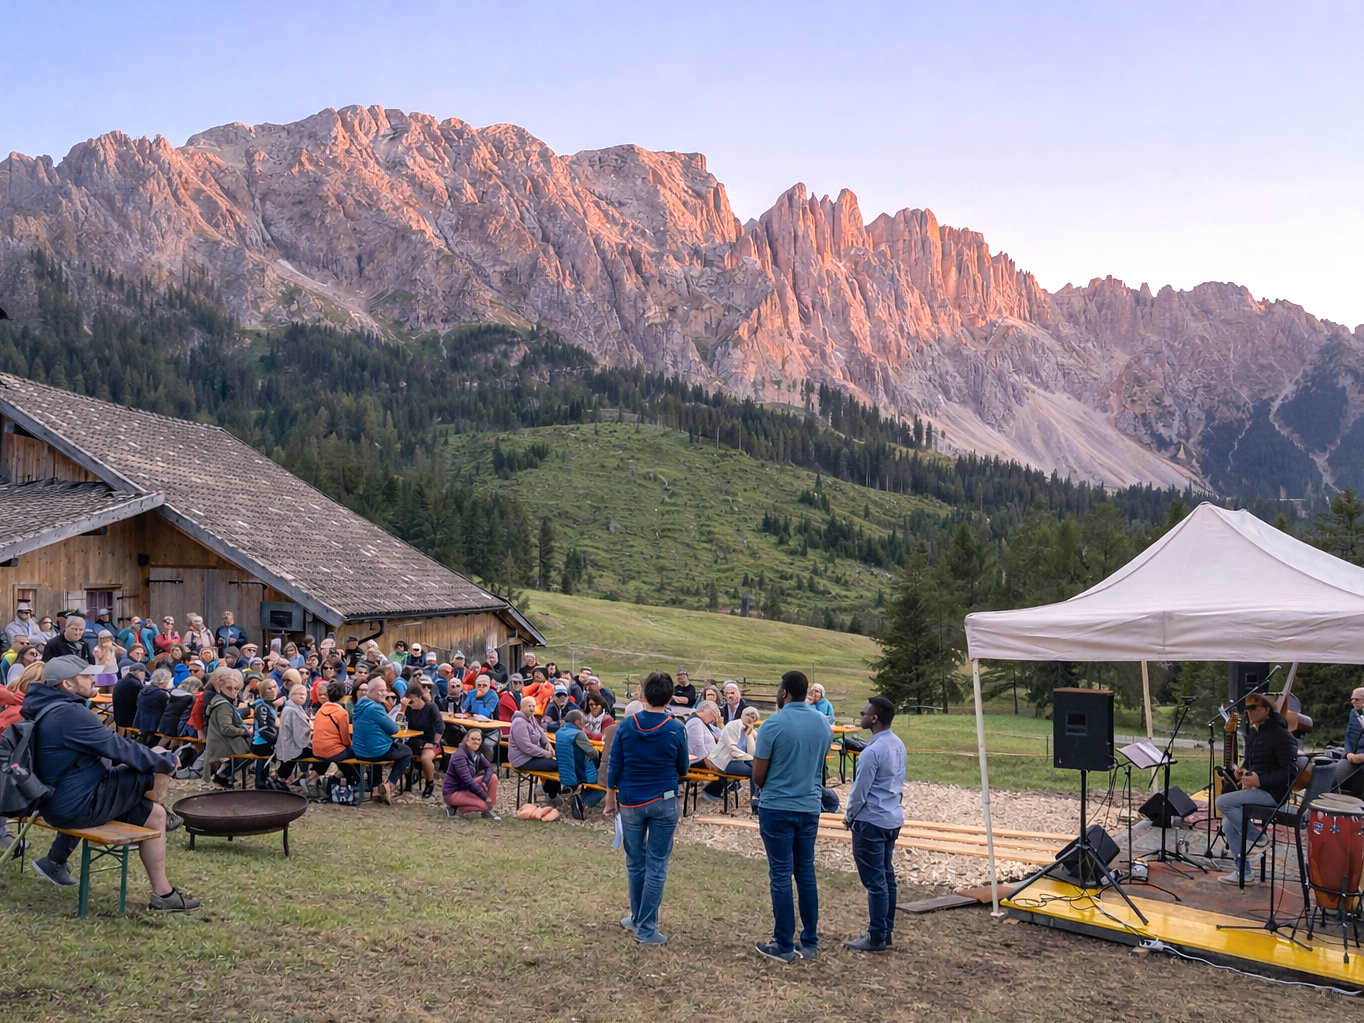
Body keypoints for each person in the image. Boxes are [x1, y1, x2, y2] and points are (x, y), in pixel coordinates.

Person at [24, 656, 199, 910]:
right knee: (157, 760)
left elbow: (109, 750)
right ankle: (159, 805)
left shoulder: (48, 707)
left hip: (61, 801)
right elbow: (119, 747)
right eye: (86, 676)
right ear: (67, 685)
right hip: (78, 806)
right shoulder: (70, 714)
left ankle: (163, 895)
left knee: (154, 815)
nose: (93, 680)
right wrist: (167, 761)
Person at [752, 670, 832, 962]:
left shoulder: (772, 725)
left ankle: (783, 943)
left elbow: (758, 775)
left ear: (784, 692)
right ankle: (809, 941)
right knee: (806, 872)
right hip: (809, 806)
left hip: (777, 806)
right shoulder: (823, 723)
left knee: (781, 873)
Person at [607, 672, 689, 945]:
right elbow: (683, 768)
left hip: (630, 800)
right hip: (664, 800)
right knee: (656, 863)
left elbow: (615, 764)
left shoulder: (626, 725)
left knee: (635, 862)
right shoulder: (675, 728)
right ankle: (647, 927)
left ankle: (636, 917)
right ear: (670, 698)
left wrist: (610, 796)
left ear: (642, 694)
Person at [841, 697, 906, 952]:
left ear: (874, 718)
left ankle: (876, 935)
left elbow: (860, 791)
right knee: (887, 876)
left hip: (871, 821)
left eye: (864, 712)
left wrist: (849, 816)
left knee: (875, 881)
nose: (861, 715)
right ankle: (885, 931)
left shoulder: (872, 751)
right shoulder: (898, 744)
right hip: (892, 817)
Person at [1214, 692, 1299, 886]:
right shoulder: (1255, 733)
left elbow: (1290, 773)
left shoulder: (1281, 736)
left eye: (1253, 708)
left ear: (1267, 710)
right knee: (1227, 824)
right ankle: (1244, 873)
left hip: (1274, 794)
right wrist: (1243, 770)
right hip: (1259, 791)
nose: (1248, 712)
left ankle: (1259, 839)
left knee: (1222, 802)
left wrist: (1260, 781)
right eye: (1246, 709)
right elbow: (1253, 761)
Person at [351, 680, 413, 805]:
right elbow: (394, 729)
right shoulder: (376, 708)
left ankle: (376, 790)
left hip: (359, 751)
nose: (384, 693)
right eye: (380, 690)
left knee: (378, 752)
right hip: (374, 751)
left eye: (385, 690)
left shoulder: (359, 706)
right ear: (370, 691)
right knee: (407, 751)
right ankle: (389, 785)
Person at [204, 667, 251, 786]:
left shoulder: (223, 700)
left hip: (221, 736)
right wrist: (246, 731)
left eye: (236, 688)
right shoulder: (223, 704)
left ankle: (225, 772)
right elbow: (226, 729)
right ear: (219, 687)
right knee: (255, 750)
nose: (234, 691)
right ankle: (223, 774)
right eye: (229, 688)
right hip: (221, 740)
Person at [509, 696, 561, 800]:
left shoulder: (531, 718)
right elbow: (526, 746)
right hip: (523, 760)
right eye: (529, 706)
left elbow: (541, 733)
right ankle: (550, 792)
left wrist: (548, 745)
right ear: (522, 707)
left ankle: (552, 790)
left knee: (560, 755)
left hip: (533, 756)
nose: (532, 709)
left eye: (533, 706)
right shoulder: (519, 722)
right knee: (556, 764)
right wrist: (546, 754)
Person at [443, 727, 501, 819]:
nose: (476, 742)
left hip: (466, 788)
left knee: (493, 778)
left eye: (479, 740)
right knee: (483, 805)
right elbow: (467, 781)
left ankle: (489, 810)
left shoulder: (476, 754)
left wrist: (485, 781)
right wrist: (485, 797)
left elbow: (489, 767)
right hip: (453, 792)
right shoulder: (459, 756)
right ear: (466, 740)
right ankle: (454, 808)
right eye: (473, 739)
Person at [557, 708, 604, 818]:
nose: (586, 723)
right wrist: (598, 751)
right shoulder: (578, 734)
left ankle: (579, 798)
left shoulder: (560, 732)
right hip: (581, 771)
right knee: (604, 785)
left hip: (567, 771)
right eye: (584, 720)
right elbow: (592, 753)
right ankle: (582, 803)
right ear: (577, 722)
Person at [312, 681, 361, 787]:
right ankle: (353, 781)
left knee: (343, 758)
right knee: (356, 752)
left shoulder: (320, 711)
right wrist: (351, 744)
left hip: (317, 751)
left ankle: (337, 778)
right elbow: (345, 740)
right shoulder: (342, 713)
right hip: (333, 752)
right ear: (343, 697)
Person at [710, 706, 761, 805]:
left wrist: (748, 735)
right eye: (747, 715)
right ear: (742, 715)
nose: (750, 718)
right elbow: (732, 749)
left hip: (740, 760)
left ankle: (758, 799)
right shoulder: (732, 725)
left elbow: (752, 753)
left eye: (753, 717)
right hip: (726, 760)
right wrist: (749, 758)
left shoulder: (751, 731)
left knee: (758, 769)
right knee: (754, 771)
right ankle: (755, 802)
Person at [275, 684, 320, 796]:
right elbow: (300, 735)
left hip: (290, 744)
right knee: (322, 753)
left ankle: (305, 777)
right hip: (293, 746)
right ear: (291, 695)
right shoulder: (292, 710)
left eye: (304, 694)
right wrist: (312, 733)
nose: (301, 696)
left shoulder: (294, 707)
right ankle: (310, 778)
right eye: (298, 694)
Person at [402, 685, 444, 798]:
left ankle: (430, 783)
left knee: (426, 758)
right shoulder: (408, 709)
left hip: (430, 739)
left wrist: (436, 741)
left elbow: (440, 725)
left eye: (412, 701)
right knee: (403, 753)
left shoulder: (431, 707)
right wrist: (403, 707)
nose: (411, 704)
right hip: (414, 740)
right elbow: (398, 722)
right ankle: (409, 780)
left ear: (420, 697)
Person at [685, 699, 726, 800]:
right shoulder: (695, 722)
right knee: (731, 765)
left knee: (736, 762)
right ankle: (711, 791)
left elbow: (724, 739)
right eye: (715, 715)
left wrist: (720, 724)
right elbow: (697, 746)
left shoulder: (704, 723)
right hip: (699, 760)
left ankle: (713, 791)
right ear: (709, 711)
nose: (715, 719)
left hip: (711, 757)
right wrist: (709, 761)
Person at [1332, 687, 1364, 797]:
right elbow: (1350, 736)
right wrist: (1349, 753)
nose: (1353, 702)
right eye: (1352, 699)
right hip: (1353, 757)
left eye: (1356, 699)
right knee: (1335, 773)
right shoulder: (1354, 713)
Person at [134, 668, 174, 744]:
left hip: (141, 722)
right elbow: (168, 709)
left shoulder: (143, 691)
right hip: (156, 725)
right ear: (164, 681)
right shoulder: (162, 694)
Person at [111, 662, 147, 729]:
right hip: (130, 720)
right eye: (144, 673)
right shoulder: (136, 684)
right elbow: (141, 703)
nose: (145, 676)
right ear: (139, 672)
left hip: (118, 717)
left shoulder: (120, 681)